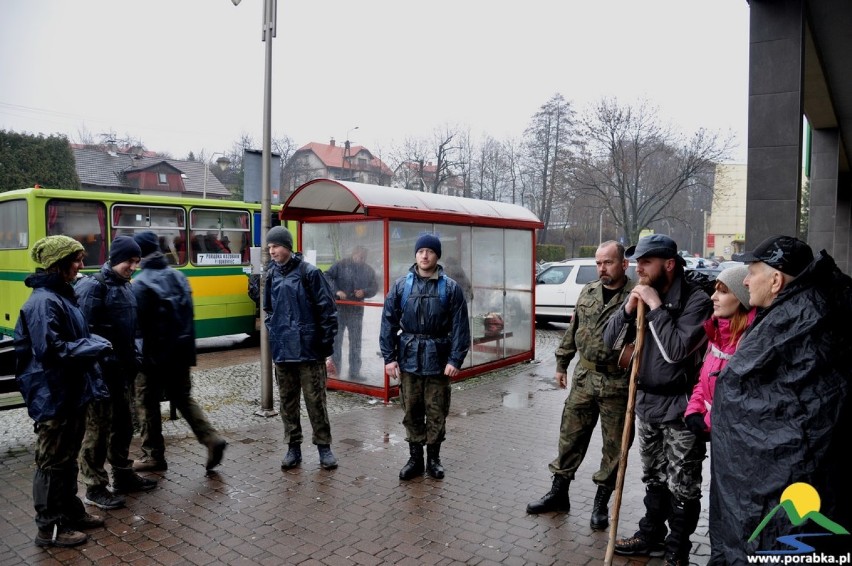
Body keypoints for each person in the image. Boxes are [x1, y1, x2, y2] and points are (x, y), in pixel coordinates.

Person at [711, 236, 852, 562]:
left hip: (786, 484)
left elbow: (797, 410)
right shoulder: (795, 310)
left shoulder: (804, 318)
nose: (745, 280)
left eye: (751, 271)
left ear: (775, 280)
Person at [603, 234, 713, 566]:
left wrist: (654, 307)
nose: (640, 270)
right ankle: (651, 534)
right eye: (637, 263)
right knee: (653, 476)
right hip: (647, 403)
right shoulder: (641, 294)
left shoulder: (697, 301)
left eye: (646, 262)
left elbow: (677, 352)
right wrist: (627, 309)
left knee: (683, 484)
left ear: (668, 264)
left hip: (680, 407)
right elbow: (611, 342)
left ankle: (677, 548)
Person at [526, 241, 636, 531]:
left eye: (608, 263)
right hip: (584, 379)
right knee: (570, 437)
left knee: (615, 447)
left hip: (618, 382)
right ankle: (558, 493)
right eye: (599, 263)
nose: (602, 268)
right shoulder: (588, 291)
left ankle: (601, 503)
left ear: (623, 264)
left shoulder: (636, 296)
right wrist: (562, 363)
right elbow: (573, 330)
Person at [14, 235, 113, 548]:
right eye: (76, 260)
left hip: (68, 391)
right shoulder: (44, 301)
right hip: (52, 395)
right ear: (58, 265)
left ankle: (70, 511)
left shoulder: (60, 296)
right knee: (51, 462)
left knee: (67, 458)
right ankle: (49, 528)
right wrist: (94, 344)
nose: (81, 266)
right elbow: (51, 350)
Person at [131, 231, 227, 473]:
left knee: (146, 403)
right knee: (183, 398)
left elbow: (138, 326)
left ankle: (153, 455)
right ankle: (211, 438)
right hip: (180, 353)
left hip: (152, 358)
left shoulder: (140, 284)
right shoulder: (179, 276)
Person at [379, 233, 471, 481]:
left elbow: (461, 327)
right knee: (412, 409)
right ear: (415, 254)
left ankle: (434, 459)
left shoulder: (450, 288)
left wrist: (455, 360)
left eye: (430, 251)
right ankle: (414, 458)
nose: (425, 255)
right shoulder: (401, 286)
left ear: (437, 255)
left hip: (438, 361)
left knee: (436, 410)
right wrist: (389, 358)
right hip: (409, 359)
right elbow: (387, 323)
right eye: (421, 251)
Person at [76, 236, 157, 511]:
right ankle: (94, 487)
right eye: (129, 261)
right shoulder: (93, 287)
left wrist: (134, 355)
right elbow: (83, 333)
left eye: (136, 262)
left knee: (123, 425)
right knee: (97, 431)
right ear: (114, 258)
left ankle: (122, 475)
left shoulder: (125, 287)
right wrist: (105, 360)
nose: (133, 267)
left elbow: (132, 329)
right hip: (99, 373)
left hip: (122, 372)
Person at [681, 265, 754, 565]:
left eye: (722, 292)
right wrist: (694, 411)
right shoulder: (717, 331)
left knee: (736, 512)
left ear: (741, 297)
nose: (713, 297)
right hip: (721, 441)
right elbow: (704, 379)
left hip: (740, 449)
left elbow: (741, 402)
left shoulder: (750, 341)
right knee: (718, 507)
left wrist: (710, 422)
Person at [264, 226, 340, 470]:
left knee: (315, 401)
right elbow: (268, 311)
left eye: (275, 246)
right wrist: (275, 333)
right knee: (287, 402)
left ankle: (324, 447)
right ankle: (293, 448)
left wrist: (324, 345)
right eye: (269, 247)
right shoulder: (270, 275)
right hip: (283, 350)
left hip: (310, 351)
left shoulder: (310, 273)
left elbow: (327, 311)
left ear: (287, 246)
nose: (272, 251)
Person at [324, 245, 378, 380]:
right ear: (353, 253)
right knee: (336, 341)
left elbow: (374, 287)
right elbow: (326, 277)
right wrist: (336, 291)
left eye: (363, 256)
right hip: (339, 309)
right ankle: (335, 372)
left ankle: (354, 372)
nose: (360, 258)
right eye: (358, 255)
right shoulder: (341, 265)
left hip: (356, 310)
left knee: (355, 342)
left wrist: (364, 292)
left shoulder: (368, 270)